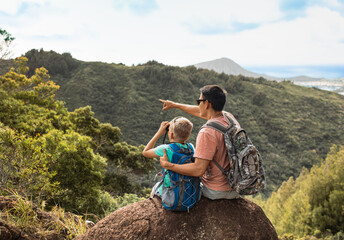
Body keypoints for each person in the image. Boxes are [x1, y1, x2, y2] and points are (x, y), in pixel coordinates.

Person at [159, 84, 241, 200]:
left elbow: (198, 170)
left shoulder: (207, 132)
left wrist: (169, 165)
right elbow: (199, 111)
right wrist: (175, 105)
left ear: (207, 103)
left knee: (168, 187)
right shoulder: (229, 117)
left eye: (199, 101)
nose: (198, 105)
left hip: (215, 190)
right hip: (235, 186)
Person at [142, 116, 195, 197]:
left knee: (155, 188)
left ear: (171, 135)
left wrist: (159, 132)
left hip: (171, 187)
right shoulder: (191, 147)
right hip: (188, 186)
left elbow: (145, 152)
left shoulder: (166, 149)